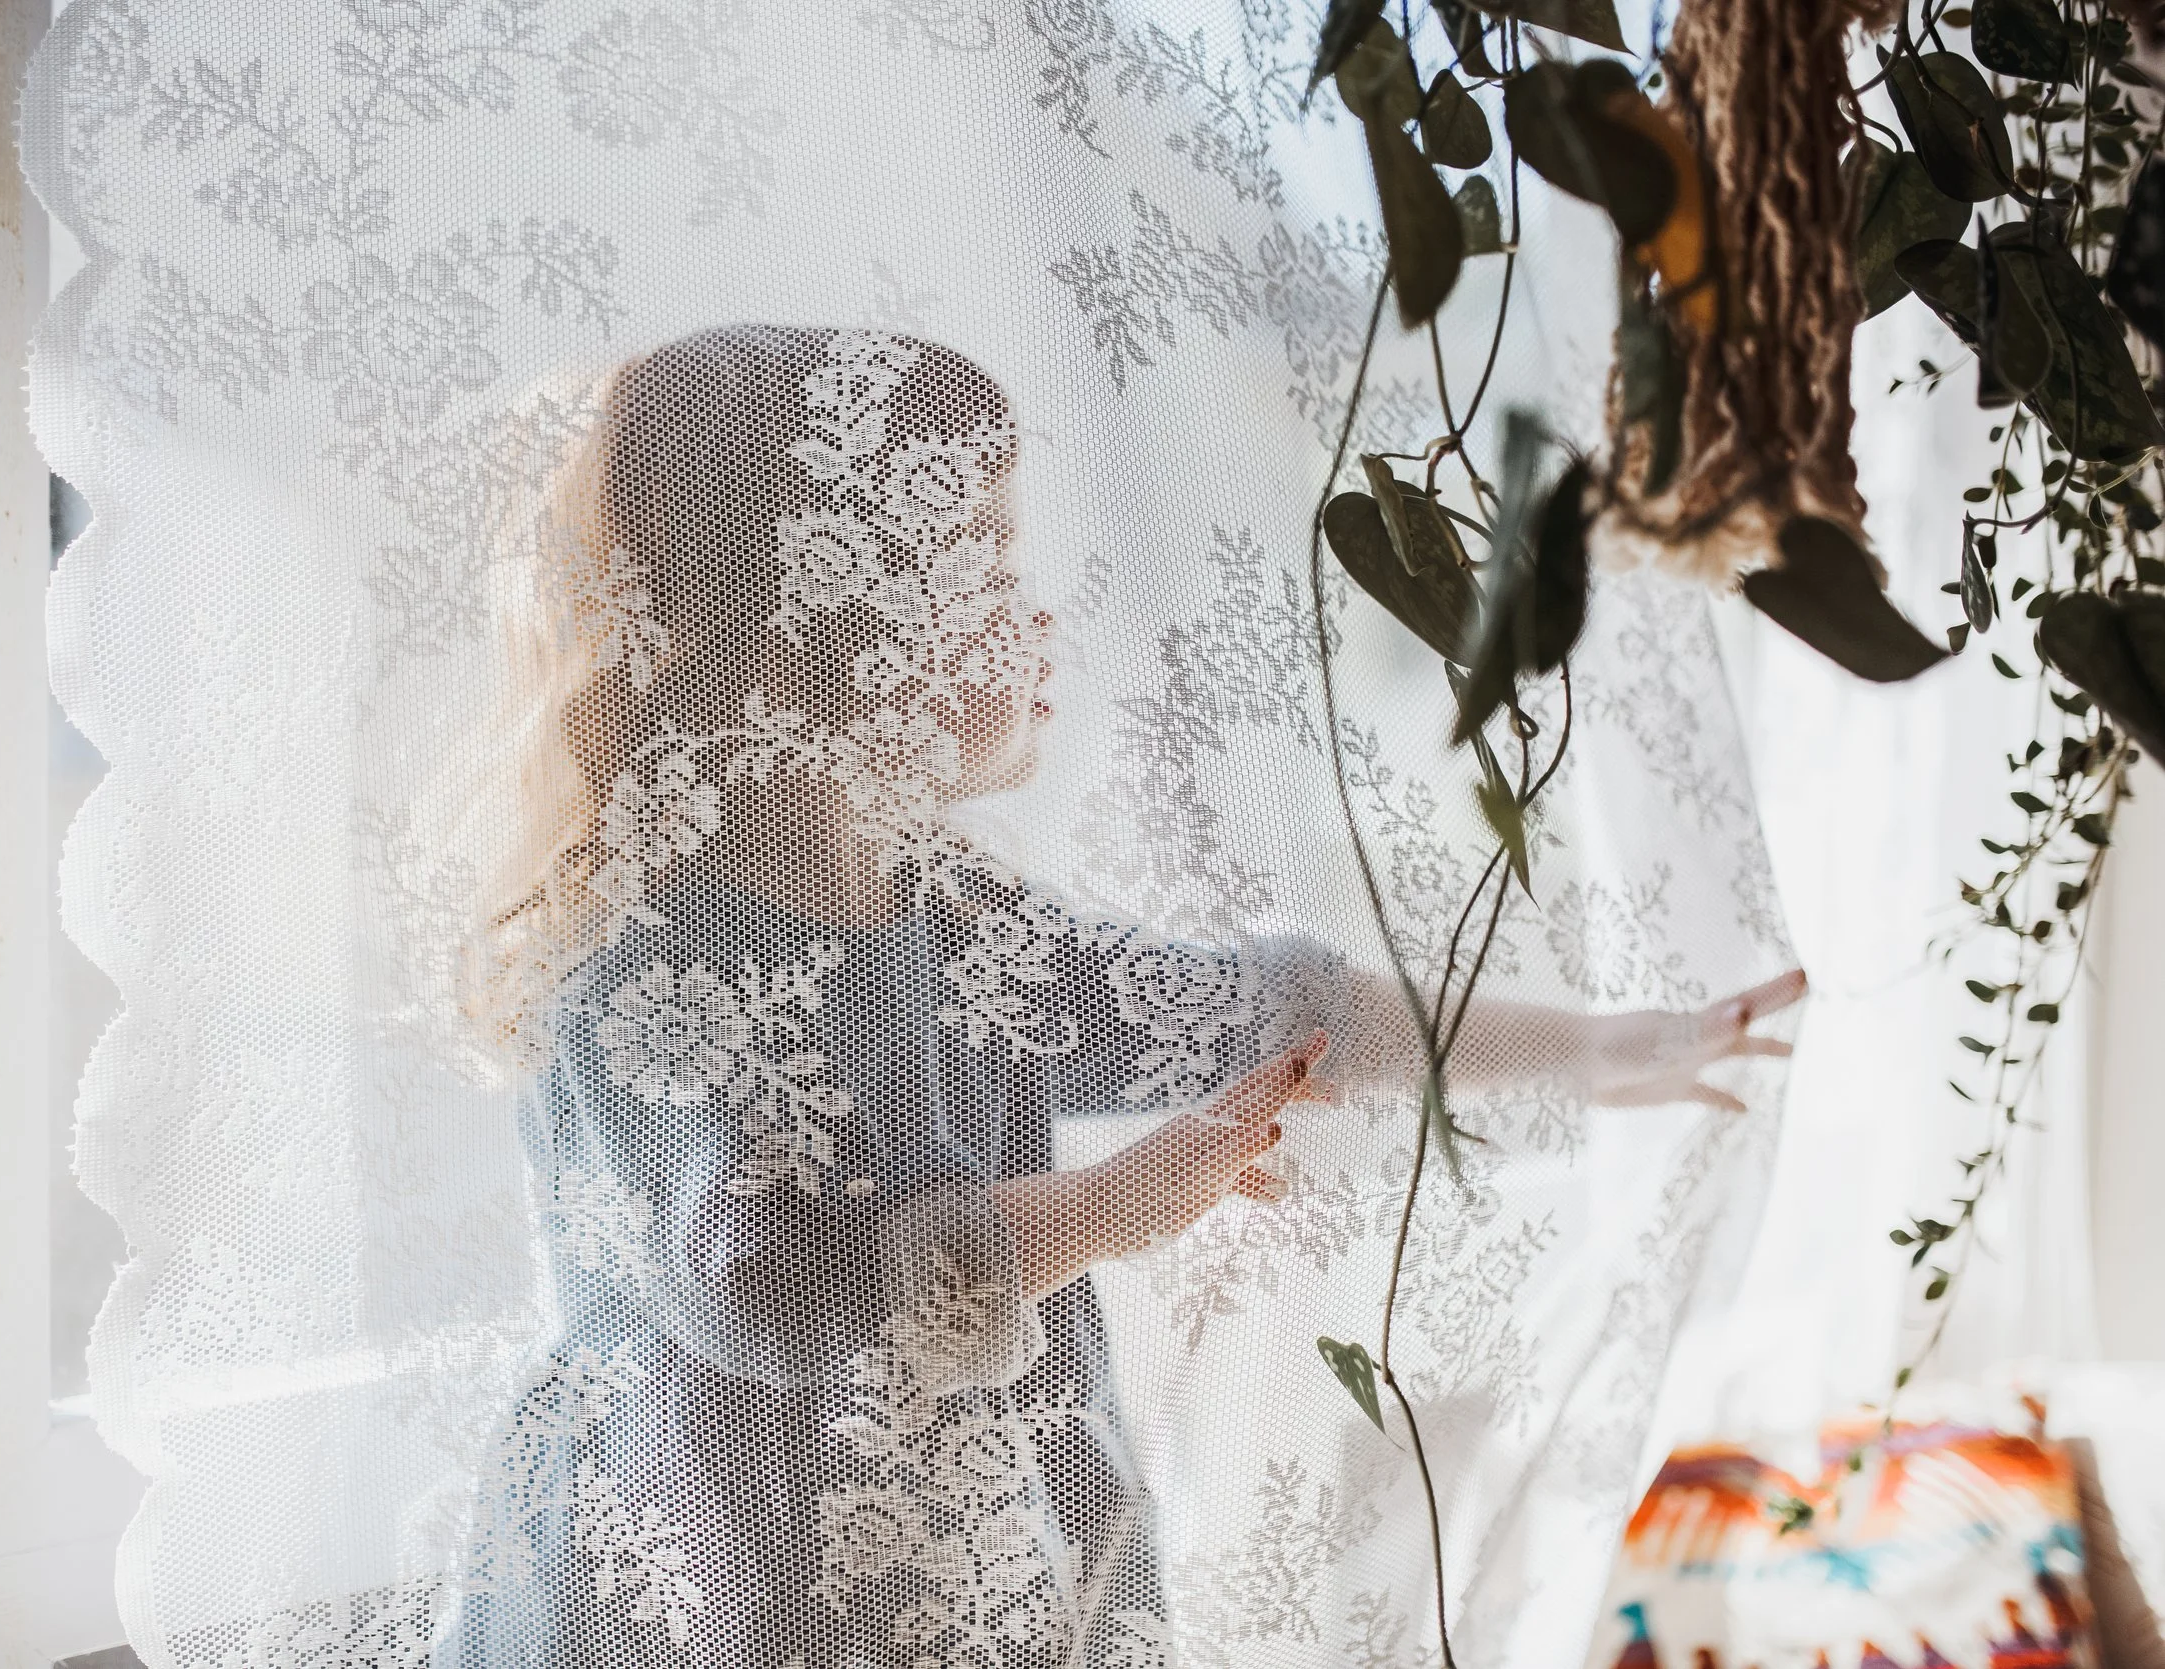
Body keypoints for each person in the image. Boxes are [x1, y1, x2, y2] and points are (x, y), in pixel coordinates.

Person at [434, 325, 1800, 1669]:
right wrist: (1112, 1207)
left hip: (965, 1546)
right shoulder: (652, 959)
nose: (1036, 618)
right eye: (984, 566)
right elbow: (764, 1288)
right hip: (722, 1574)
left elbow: (1266, 1019)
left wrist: (1600, 1048)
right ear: (826, 622)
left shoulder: (946, 912)